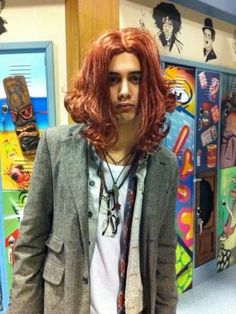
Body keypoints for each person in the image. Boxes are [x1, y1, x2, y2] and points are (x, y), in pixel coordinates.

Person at [7, 27, 178, 314]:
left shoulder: (164, 165)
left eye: (135, 78)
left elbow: (163, 256)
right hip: (68, 304)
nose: (125, 91)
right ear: (98, 84)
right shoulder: (58, 147)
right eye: (113, 80)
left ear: (148, 86)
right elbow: (29, 247)